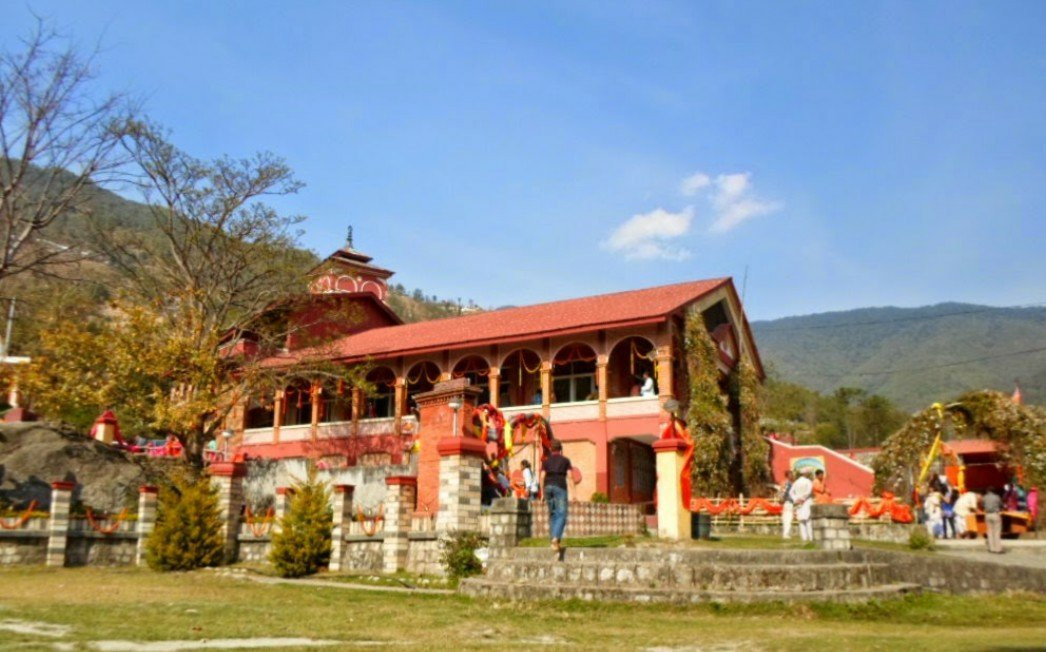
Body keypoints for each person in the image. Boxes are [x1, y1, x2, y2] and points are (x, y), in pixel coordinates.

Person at [540, 439, 575, 553]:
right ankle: (555, 539)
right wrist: (574, 494)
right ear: (560, 449)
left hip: (548, 488)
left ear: (551, 449)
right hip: (560, 487)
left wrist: (542, 493)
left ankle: (554, 542)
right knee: (562, 514)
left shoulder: (546, 461)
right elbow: (570, 476)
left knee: (553, 514)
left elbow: (541, 476)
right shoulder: (565, 461)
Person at [789, 468, 815, 542]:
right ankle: (810, 537)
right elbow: (809, 491)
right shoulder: (808, 482)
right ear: (806, 473)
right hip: (806, 502)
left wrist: (796, 499)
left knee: (801, 521)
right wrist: (803, 498)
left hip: (799, 502)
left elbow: (791, 492)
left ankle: (804, 538)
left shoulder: (796, 482)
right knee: (808, 520)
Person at [982, 487, 1004, 553]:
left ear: (987, 491)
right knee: (997, 532)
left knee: (990, 531)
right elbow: (1001, 505)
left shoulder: (984, 497)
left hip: (987, 515)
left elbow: (982, 505)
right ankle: (998, 548)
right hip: (995, 514)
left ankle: (992, 548)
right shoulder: (997, 497)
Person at [779, 470, 795, 539]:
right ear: (788, 475)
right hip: (788, 502)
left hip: (786, 502)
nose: (792, 476)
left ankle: (785, 533)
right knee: (788, 518)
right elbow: (784, 492)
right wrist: (782, 499)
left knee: (786, 518)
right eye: (791, 474)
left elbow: (781, 491)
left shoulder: (785, 482)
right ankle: (786, 534)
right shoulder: (788, 483)